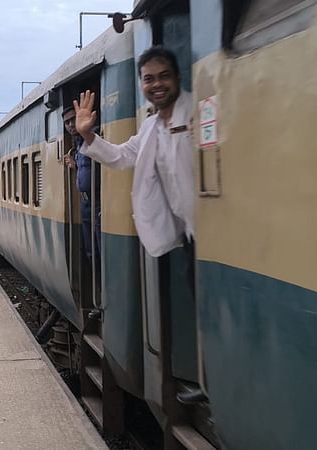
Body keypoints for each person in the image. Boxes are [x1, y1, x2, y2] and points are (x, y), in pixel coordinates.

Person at [75, 48, 201, 402]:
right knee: (199, 303)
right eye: (149, 78)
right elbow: (120, 157)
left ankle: (215, 385)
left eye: (163, 76)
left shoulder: (195, 110)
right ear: (142, 84)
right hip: (191, 235)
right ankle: (206, 382)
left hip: (214, 232)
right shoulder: (150, 126)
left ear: (177, 78)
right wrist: (88, 136)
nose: (156, 84)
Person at [62, 105, 101, 261]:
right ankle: (97, 280)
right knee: (90, 247)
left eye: (73, 119)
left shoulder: (93, 137)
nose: (71, 124)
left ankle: (102, 281)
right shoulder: (78, 145)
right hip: (86, 201)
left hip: (98, 199)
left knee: (99, 245)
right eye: (67, 122)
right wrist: (75, 165)